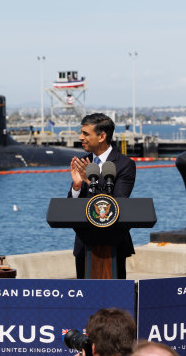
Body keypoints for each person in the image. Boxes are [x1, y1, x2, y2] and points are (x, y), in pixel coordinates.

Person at [68, 113, 136, 279]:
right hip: (84, 244)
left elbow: (116, 204)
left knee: (116, 300)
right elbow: (70, 208)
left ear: (102, 136)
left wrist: (87, 180)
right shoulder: (82, 162)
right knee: (86, 299)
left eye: (86, 133)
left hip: (114, 243)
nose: (80, 137)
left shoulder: (124, 165)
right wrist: (76, 186)